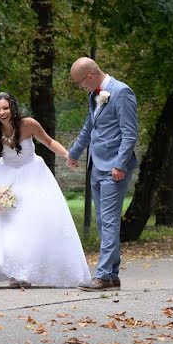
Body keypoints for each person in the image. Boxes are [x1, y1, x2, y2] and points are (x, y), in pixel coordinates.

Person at [0, 92, 91, 288]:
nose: (2, 112)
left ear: (12, 108)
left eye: (5, 108)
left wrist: (68, 155)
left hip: (33, 174)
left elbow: (48, 142)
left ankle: (28, 272)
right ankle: (15, 272)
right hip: (6, 174)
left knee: (32, 223)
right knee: (8, 224)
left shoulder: (29, 124)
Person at [67, 57, 138, 291]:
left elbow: (129, 134)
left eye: (80, 83)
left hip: (113, 169)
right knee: (103, 221)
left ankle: (103, 275)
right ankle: (112, 276)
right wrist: (74, 152)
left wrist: (119, 164)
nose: (81, 87)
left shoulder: (122, 92)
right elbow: (90, 126)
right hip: (96, 166)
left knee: (108, 221)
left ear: (89, 76)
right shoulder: (96, 94)